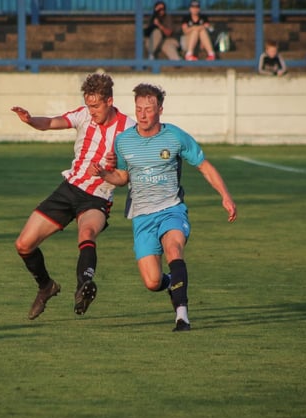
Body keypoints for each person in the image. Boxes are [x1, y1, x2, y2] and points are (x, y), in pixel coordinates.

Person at [89, 83, 237, 332]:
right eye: (139, 109)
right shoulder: (124, 141)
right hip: (142, 216)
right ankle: (172, 283)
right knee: (152, 281)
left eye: (149, 109)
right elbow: (123, 178)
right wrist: (105, 174)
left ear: (160, 110)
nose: (143, 114)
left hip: (172, 209)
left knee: (173, 248)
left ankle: (182, 315)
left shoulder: (175, 136)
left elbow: (204, 166)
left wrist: (225, 196)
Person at [11, 73, 136, 320]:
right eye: (89, 105)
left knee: (87, 233)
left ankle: (84, 287)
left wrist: (113, 168)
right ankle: (46, 286)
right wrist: (30, 120)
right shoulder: (83, 115)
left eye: (96, 106)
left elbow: (126, 175)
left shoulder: (128, 129)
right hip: (69, 189)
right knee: (23, 245)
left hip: (97, 197)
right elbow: (52, 122)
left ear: (109, 101)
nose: (92, 112)